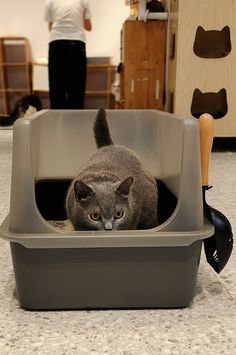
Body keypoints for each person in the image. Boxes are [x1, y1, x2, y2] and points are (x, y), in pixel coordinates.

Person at [44, 0, 92, 109]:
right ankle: (75, 123)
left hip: (56, 43)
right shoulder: (83, 1)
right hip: (77, 43)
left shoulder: (50, 1)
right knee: (76, 89)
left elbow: (50, 27)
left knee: (56, 89)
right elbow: (88, 26)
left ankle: (57, 123)